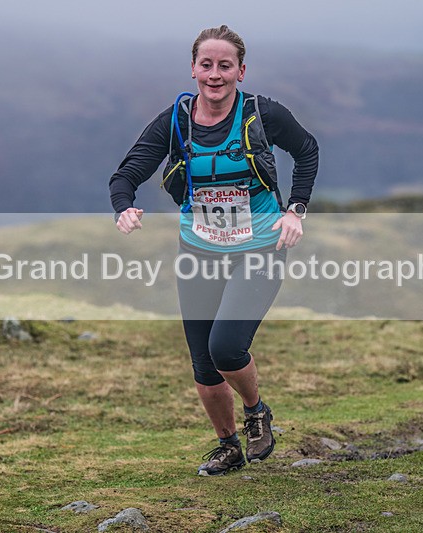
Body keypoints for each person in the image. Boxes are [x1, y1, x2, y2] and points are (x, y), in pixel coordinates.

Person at [109, 25, 318, 476]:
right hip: (199, 251)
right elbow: (126, 174)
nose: (215, 74)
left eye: (225, 66)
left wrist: (296, 210)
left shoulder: (263, 113)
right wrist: (124, 208)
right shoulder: (176, 120)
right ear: (193, 69)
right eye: (207, 65)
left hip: (259, 246)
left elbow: (307, 150)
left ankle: (257, 412)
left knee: (225, 348)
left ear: (241, 71)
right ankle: (227, 446)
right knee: (203, 364)